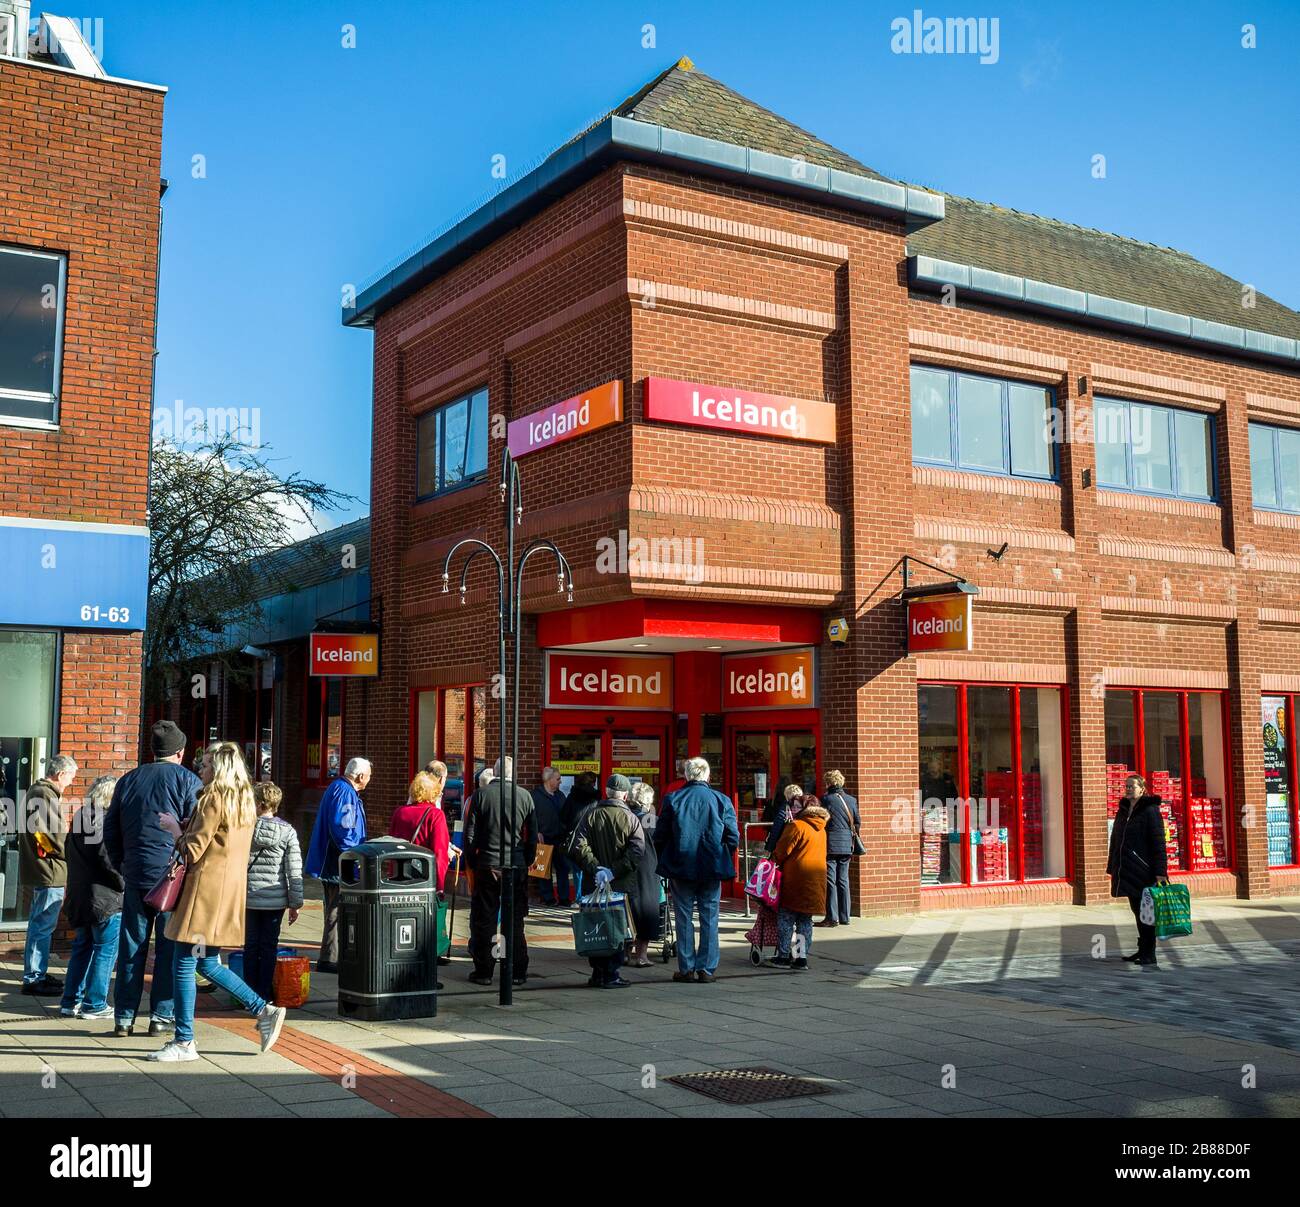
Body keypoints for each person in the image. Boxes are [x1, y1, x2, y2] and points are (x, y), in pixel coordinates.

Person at [149, 742, 287, 1062]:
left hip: (203, 893)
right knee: (207, 962)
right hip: (227, 892)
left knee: (182, 963)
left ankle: (184, 1041)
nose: (201, 768)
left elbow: (192, 851)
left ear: (220, 769)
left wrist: (172, 829)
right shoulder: (244, 800)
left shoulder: (213, 798)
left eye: (207, 764)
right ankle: (262, 1010)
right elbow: (220, 841)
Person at [104, 720, 201, 1036]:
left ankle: (124, 1018)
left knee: (132, 945)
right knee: (169, 948)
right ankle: (161, 1015)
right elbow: (194, 830)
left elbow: (111, 831)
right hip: (173, 877)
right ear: (180, 752)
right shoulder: (188, 781)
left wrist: (123, 865)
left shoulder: (128, 780)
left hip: (137, 874)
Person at [654, 756, 739, 984]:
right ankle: (707, 969)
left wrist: (666, 857)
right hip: (712, 866)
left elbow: (660, 835)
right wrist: (721, 853)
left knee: (683, 917)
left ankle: (687, 967)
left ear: (687, 775)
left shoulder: (673, 798)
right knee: (710, 916)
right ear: (708, 776)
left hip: (681, 866)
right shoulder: (721, 800)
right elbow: (733, 836)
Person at [463, 756, 536, 987]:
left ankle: (484, 970)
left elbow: (470, 834)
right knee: (514, 920)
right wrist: (527, 859)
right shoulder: (525, 796)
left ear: (494, 772)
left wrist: (472, 860)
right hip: (515, 865)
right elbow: (532, 835)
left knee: (485, 919)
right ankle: (517, 970)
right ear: (513, 773)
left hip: (487, 863)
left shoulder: (480, 796)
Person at [570, 774, 645, 988]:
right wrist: (613, 872)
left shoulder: (590, 815)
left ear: (607, 792)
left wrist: (596, 869)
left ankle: (598, 972)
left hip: (594, 882)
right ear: (624, 794)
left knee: (596, 924)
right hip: (621, 883)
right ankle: (611, 974)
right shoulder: (631, 818)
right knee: (617, 927)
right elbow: (637, 850)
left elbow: (578, 846)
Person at [59, 774, 123, 1019]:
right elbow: (107, 858)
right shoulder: (105, 821)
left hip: (80, 896)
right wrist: (124, 883)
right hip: (104, 898)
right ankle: (94, 1004)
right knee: (105, 951)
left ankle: (70, 1001)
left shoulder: (81, 817)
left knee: (82, 948)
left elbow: (70, 851)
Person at [304, 756, 371, 974]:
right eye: (368, 776)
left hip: (335, 860)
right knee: (336, 909)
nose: (369, 781)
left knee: (335, 908)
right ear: (360, 776)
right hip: (338, 862)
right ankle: (330, 958)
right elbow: (343, 829)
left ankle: (331, 955)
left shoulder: (339, 788)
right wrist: (354, 855)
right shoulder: (345, 792)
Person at [18, 753, 76, 996]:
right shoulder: (44, 794)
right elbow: (52, 838)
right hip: (49, 870)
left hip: (45, 869)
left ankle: (36, 973)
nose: (71, 782)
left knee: (40, 923)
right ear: (61, 774)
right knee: (42, 924)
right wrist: (74, 853)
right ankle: (33, 977)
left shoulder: (40, 792)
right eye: (71, 777)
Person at [243, 781, 304, 1003]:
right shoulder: (288, 831)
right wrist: (295, 903)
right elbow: (293, 868)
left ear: (258, 804)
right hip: (275, 900)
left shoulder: (244, 828)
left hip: (248, 897)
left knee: (250, 945)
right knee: (269, 946)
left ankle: (248, 994)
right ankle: (265, 993)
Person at [1107, 773, 1169, 968]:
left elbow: (1158, 843)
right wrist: (1112, 865)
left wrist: (1160, 872)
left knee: (1147, 913)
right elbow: (1116, 840)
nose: (1128, 789)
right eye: (1126, 786)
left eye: (1132, 786)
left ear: (1142, 789)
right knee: (1137, 911)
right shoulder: (1123, 810)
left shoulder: (1150, 811)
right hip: (1126, 869)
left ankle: (1149, 953)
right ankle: (1142, 949)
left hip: (1144, 871)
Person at [767, 794, 830, 970]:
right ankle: (801, 957)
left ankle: (783, 956)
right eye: (792, 806)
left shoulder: (796, 826)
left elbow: (782, 850)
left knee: (786, 918)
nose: (792, 809)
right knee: (805, 921)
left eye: (796, 806)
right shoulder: (821, 828)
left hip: (795, 880)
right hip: (815, 881)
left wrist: (772, 861)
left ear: (806, 809)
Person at [390, 768, 453, 892]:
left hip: (399, 877)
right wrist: (439, 886)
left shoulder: (399, 812)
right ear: (434, 792)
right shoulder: (435, 815)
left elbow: (391, 845)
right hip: (424, 880)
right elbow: (439, 853)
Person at [626, 781, 662, 967]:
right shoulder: (652, 821)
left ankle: (625, 952)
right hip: (648, 869)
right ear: (647, 801)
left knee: (626, 909)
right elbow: (662, 844)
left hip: (625, 869)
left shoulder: (624, 817)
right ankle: (641, 956)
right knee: (647, 911)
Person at [818, 770, 861, 928]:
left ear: (828, 783)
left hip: (831, 844)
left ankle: (832, 917)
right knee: (843, 880)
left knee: (831, 881)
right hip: (847, 845)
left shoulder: (826, 800)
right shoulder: (851, 800)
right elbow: (857, 822)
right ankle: (845, 916)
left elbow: (823, 822)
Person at [531, 767, 571, 907]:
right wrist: (536, 832)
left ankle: (564, 898)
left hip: (560, 838)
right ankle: (548, 898)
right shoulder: (535, 795)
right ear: (549, 780)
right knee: (543, 870)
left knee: (563, 869)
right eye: (558, 779)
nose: (560, 782)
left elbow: (566, 816)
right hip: (544, 838)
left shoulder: (560, 796)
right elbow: (530, 817)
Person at [561, 770, 601, 896]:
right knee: (591, 866)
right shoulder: (596, 798)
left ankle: (578, 897)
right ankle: (590, 895)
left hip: (574, 837)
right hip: (592, 837)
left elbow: (563, 817)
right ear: (593, 783)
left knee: (577, 869)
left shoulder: (572, 797)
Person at [765, 782, 805, 854]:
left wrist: (770, 848)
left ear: (787, 796)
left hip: (787, 842)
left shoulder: (785, 808)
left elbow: (776, 829)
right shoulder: (805, 807)